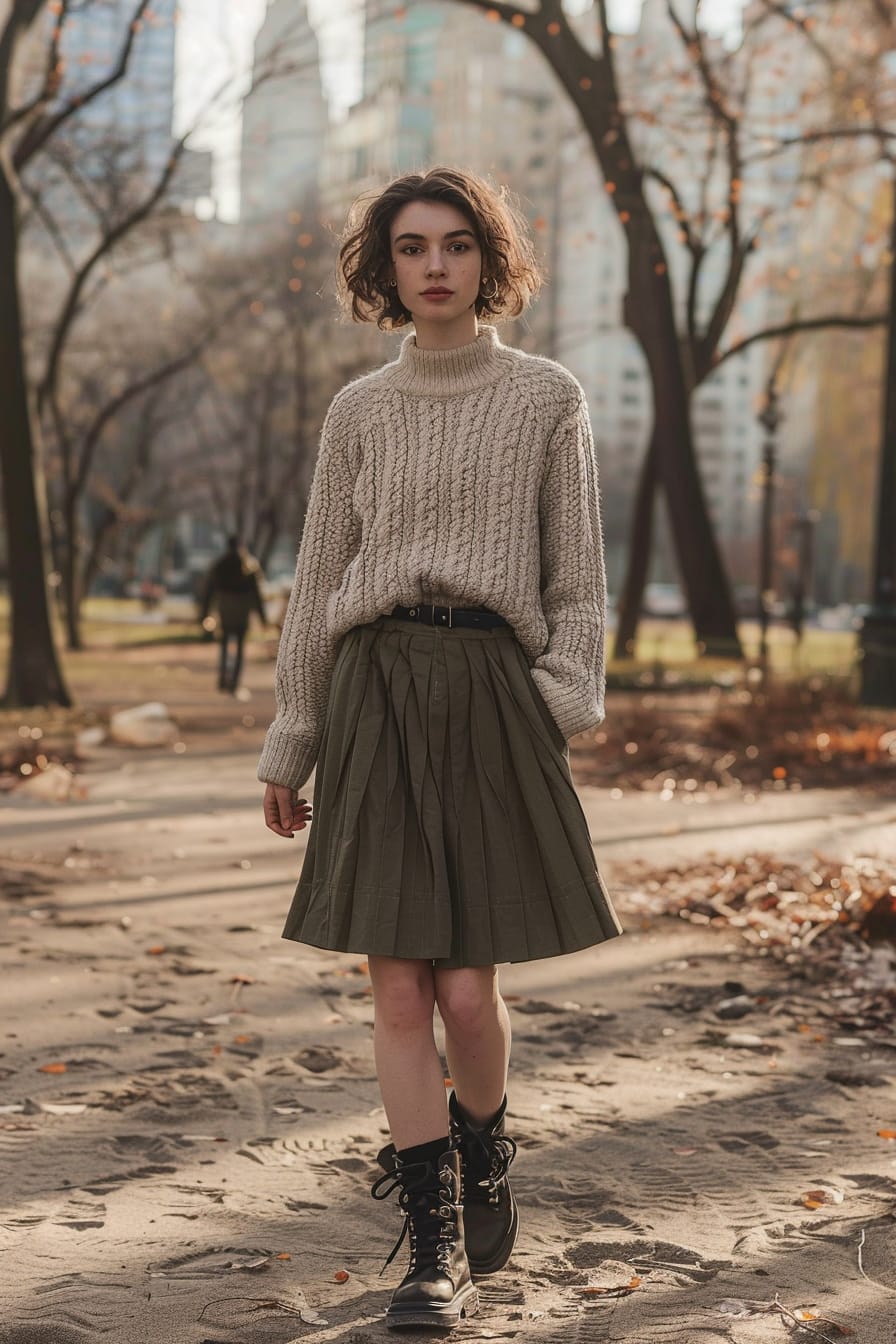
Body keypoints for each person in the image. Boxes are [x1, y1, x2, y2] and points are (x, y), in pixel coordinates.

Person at [257, 166, 623, 1331]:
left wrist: (557, 700)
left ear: (487, 260)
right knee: (399, 986)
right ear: (384, 269)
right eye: (411, 247)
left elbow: (576, 578)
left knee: (470, 995)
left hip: (491, 694)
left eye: (456, 245)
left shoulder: (544, 397)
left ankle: (484, 1146)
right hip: (373, 693)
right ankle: (432, 1246)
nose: (434, 266)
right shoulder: (359, 410)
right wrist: (293, 735)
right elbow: (319, 584)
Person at [200, 536, 267, 693]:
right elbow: (256, 594)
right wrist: (262, 617)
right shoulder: (248, 565)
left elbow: (209, 591)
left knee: (224, 644)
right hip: (242, 608)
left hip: (225, 607)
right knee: (239, 646)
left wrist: (204, 613)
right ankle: (234, 682)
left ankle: (223, 679)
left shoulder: (220, 565)